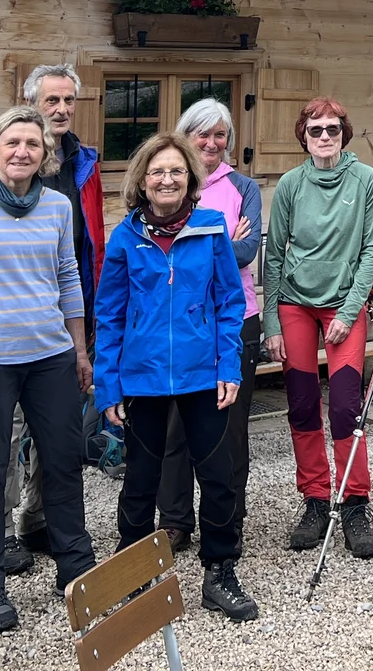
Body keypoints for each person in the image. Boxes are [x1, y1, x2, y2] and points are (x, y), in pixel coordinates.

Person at [92, 133, 257, 622]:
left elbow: (230, 303)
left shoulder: (210, 229)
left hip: (203, 374)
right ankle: (134, 571)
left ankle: (221, 570)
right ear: (142, 181)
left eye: (177, 172)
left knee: (218, 474)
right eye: (158, 172)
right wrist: (109, 384)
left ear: (191, 180)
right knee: (140, 480)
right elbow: (110, 313)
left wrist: (228, 365)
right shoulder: (125, 236)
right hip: (141, 378)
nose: (167, 179)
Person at [0, 106, 96, 633]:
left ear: (45, 155)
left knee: (63, 464)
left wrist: (80, 350)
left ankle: (76, 570)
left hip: (51, 356)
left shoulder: (59, 206)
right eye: (12, 142)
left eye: (32, 145)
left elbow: (67, 277)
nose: (22, 152)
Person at [262, 97, 373, 559]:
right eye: (316, 130)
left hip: (343, 305)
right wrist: (272, 321)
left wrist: (350, 313)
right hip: (295, 303)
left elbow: (372, 249)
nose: (325, 137)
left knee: (347, 407)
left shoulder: (365, 180)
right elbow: (273, 255)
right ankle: (315, 499)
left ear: (344, 133)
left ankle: (354, 502)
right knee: (301, 403)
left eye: (333, 128)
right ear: (304, 136)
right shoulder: (292, 184)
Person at [1, 65, 106, 575]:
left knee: (56, 428)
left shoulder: (86, 162)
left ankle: (36, 518)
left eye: (68, 100)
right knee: (9, 429)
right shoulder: (13, 161)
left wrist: (90, 317)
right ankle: (0, 532)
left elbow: (90, 239)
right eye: (51, 100)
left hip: (72, 305)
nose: (61, 109)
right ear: (32, 103)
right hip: (14, 317)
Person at [157, 98, 263, 554]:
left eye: (220, 134)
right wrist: (220, 235)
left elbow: (246, 253)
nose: (211, 143)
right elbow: (162, 247)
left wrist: (196, 240)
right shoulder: (171, 181)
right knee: (175, 427)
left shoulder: (244, 187)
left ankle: (227, 517)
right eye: (203, 133)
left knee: (230, 427)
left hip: (237, 319)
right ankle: (175, 520)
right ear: (186, 135)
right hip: (178, 322)